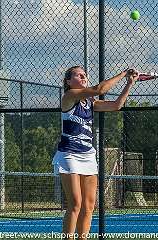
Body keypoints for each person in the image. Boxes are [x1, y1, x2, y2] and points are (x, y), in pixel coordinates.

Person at [52, 66, 139, 239]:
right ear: (68, 81)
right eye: (79, 75)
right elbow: (100, 89)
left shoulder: (90, 102)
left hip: (88, 155)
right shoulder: (69, 96)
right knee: (75, 203)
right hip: (69, 154)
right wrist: (123, 74)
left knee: (89, 206)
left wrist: (129, 83)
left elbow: (116, 105)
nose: (84, 77)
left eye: (85, 75)